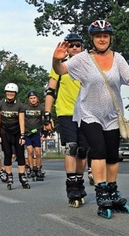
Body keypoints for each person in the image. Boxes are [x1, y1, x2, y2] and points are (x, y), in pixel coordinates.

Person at [52, 20, 129, 218]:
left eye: (105, 35)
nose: (102, 39)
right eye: (97, 36)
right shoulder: (82, 59)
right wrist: (56, 60)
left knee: (112, 155)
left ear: (110, 38)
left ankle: (112, 190)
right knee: (99, 152)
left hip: (112, 115)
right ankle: (101, 192)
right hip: (89, 113)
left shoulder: (118, 58)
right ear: (92, 39)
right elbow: (61, 71)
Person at [44, 32, 91, 208]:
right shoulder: (60, 66)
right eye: (70, 45)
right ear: (66, 48)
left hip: (86, 113)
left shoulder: (88, 66)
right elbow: (50, 91)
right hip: (66, 112)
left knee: (82, 150)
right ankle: (71, 186)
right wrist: (47, 114)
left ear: (82, 48)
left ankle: (79, 181)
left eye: (77, 45)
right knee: (71, 147)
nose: (74, 48)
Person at [0, 83, 30, 189]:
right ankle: (9, 175)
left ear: (15, 94)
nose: (10, 94)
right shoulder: (0, 104)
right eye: (8, 92)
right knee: (8, 154)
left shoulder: (20, 105)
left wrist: (22, 136)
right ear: (5, 93)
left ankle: (22, 176)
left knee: (20, 154)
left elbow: (21, 120)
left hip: (17, 132)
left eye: (12, 92)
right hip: (5, 131)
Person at [24, 90, 45, 181]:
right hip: (27, 133)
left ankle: (38, 168)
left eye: (34, 98)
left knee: (37, 152)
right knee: (30, 151)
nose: (33, 100)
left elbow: (46, 121)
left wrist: (45, 134)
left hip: (36, 133)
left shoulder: (41, 108)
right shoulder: (25, 108)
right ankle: (31, 168)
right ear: (28, 100)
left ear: (37, 98)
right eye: (31, 98)